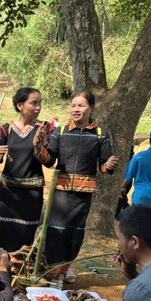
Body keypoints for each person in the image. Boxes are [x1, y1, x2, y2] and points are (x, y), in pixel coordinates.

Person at [42, 90, 119, 284]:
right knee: (56, 231)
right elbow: (50, 160)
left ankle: (66, 267)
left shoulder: (100, 134)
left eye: (81, 105)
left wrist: (109, 165)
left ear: (92, 108)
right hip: (60, 192)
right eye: (73, 105)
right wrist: (38, 149)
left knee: (75, 232)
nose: (76, 109)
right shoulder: (60, 132)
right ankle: (53, 272)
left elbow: (103, 167)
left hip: (83, 194)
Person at [0, 87, 50, 252]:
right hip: (8, 193)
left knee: (25, 233)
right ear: (20, 105)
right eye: (33, 103)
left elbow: (49, 161)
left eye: (40, 103)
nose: (38, 107)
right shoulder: (5, 129)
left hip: (32, 194)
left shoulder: (44, 128)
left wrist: (40, 146)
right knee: (2, 230)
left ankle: (20, 264)